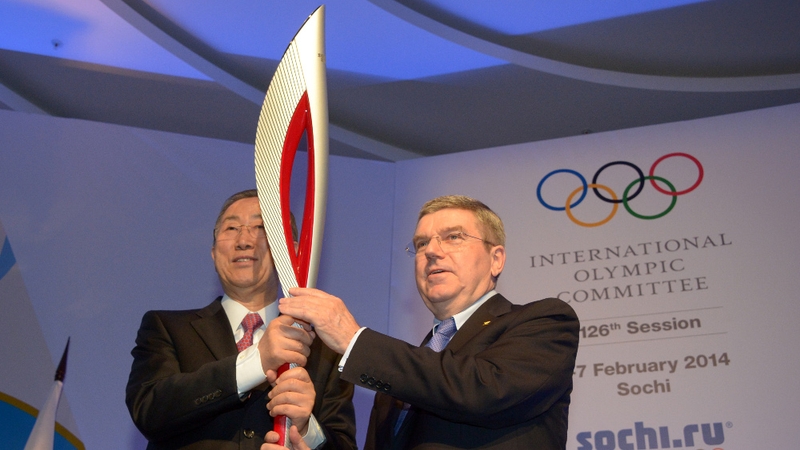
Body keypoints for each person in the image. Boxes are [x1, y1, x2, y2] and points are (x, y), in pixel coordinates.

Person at [279, 195, 580, 450]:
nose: (432, 251)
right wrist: (309, 434)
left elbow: (483, 391)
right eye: (421, 244)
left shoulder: (545, 321)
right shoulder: (397, 374)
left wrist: (353, 339)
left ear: (496, 259)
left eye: (454, 237)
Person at [126, 189, 357, 450]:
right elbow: (149, 410)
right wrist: (258, 360)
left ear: (291, 253)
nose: (244, 240)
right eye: (231, 228)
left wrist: (306, 429)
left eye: (260, 227)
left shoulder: (325, 350)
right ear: (214, 252)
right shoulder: (167, 328)